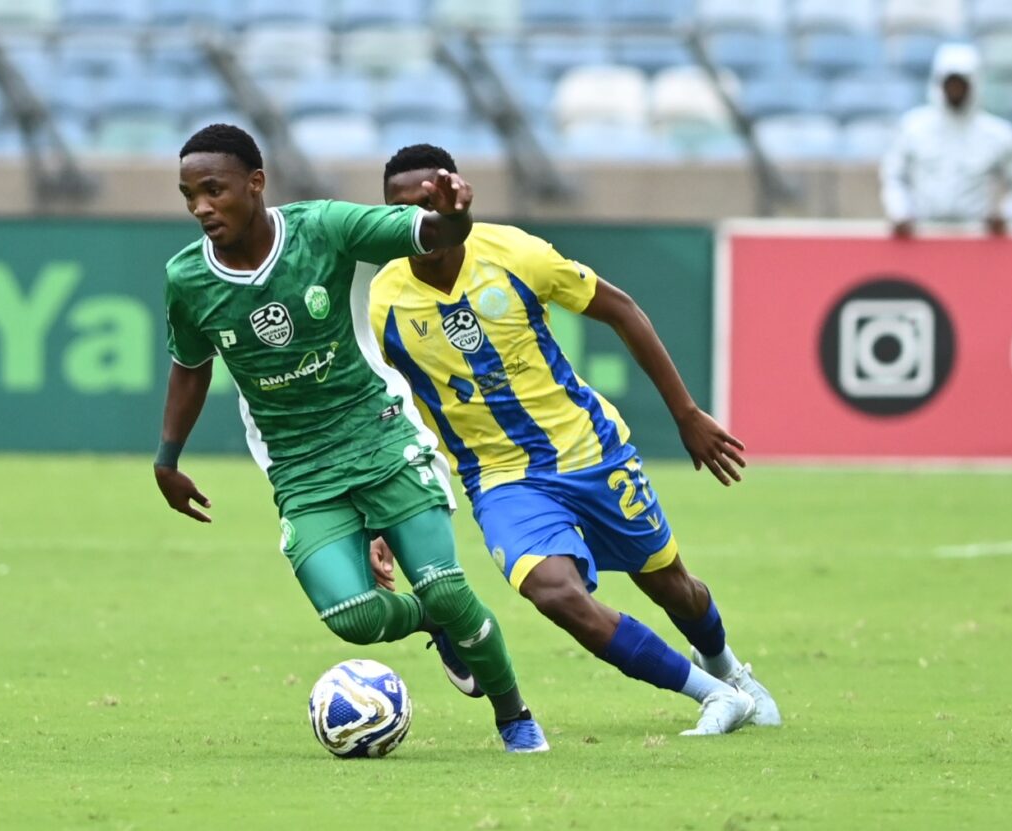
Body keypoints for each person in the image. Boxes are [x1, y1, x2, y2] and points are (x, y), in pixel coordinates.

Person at [153, 124, 547, 753]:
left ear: (255, 183)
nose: (201, 207)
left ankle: (514, 717)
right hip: (299, 465)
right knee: (354, 618)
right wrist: (168, 458)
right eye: (189, 196)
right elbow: (191, 366)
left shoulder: (323, 228)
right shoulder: (187, 277)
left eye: (213, 190)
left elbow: (430, 234)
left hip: (380, 434)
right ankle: (436, 622)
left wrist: (454, 216)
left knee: (446, 585)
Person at [368, 144, 781, 737]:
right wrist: (387, 515)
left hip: (589, 451)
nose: (414, 222)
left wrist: (686, 413)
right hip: (500, 478)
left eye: (426, 204)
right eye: (398, 211)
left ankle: (727, 667)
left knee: (673, 588)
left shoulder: (516, 254)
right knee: (555, 594)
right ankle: (713, 695)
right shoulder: (384, 300)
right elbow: (405, 410)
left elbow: (623, 310)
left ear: (450, 200)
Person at [881, 42, 1012, 238]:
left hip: (977, 237)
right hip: (923, 235)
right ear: (938, 83)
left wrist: (1008, 216)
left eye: (961, 84)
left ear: (974, 83)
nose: (955, 89)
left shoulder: (999, 134)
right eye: (950, 83)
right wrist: (900, 212)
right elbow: (894, 176)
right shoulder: (913, 128)